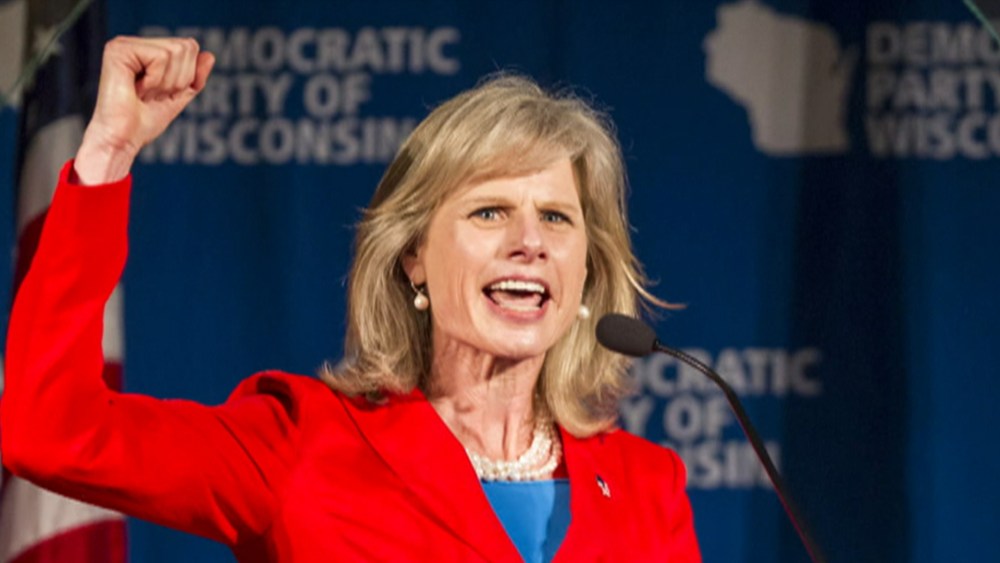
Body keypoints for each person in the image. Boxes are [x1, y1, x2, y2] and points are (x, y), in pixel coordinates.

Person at [1, 36, 701, 562]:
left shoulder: (648, 486)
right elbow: (52, 433)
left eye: (556, 217)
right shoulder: (304, 449)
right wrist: (109, 152)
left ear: (586, 266)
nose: (530, 242)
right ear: (413, 257)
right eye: (490, 212)